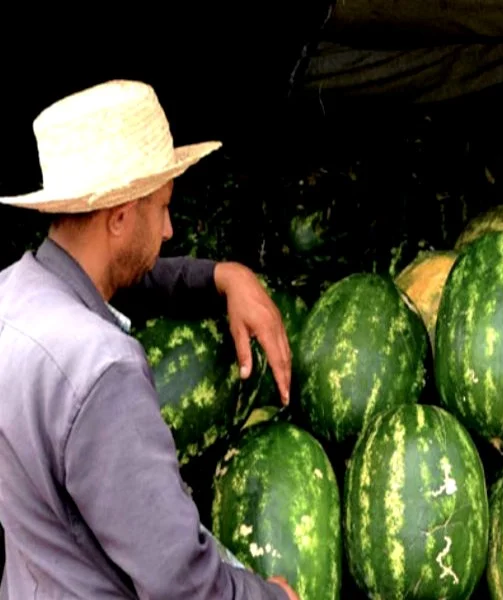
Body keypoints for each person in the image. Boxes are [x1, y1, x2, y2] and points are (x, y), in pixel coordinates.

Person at [0, 80, 300, 599]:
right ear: (118, 218)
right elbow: (179, 582)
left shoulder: (14, 294)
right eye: (162, 207)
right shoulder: (102, 370)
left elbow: (125, 278)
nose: (168, 230)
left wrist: (219, 276)